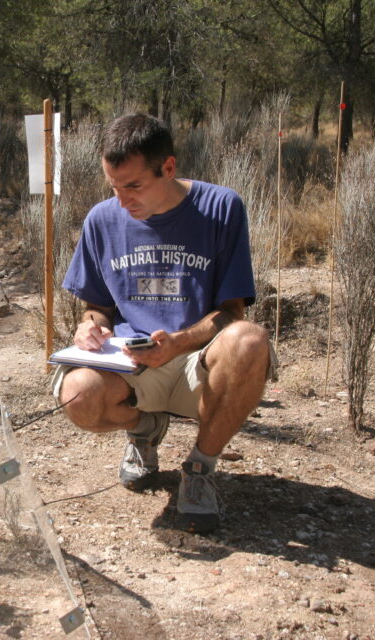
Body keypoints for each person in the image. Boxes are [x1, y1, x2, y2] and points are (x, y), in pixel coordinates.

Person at [52, 113, 275, 534]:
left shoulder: (220, 208)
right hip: (134, 366)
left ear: (168, 168)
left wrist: (179, 341)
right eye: (114, 187)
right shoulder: (102, 220)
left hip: (200, 362)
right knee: (75, 395)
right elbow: (96, 307)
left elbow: (232, 312)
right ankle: (144, 428)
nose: (122, 200)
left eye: (134, 186)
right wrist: (89, 327)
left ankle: (199, 467)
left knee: (250, 340)